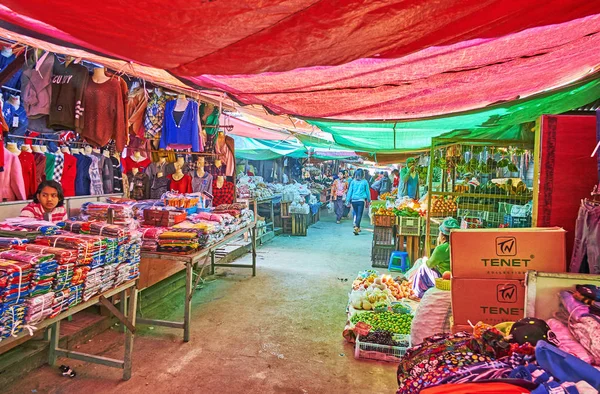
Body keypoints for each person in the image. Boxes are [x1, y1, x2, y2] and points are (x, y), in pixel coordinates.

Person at [410, 217, 459, 297]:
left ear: (442, 235)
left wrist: (425, 260)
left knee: (422, 267)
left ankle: (418, 292)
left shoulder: (442, 249)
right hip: (457, 277)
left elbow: (429, 264)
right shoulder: (461, 245)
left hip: (444, 278)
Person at [345, 168, 371, 235]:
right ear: (363, 175)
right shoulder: (365, 182)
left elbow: (350, 191)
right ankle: (356, 227)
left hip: (354, 201)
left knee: (356, 213)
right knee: (359, 214)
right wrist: (369, 200)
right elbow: (368, 192)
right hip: (361, 201)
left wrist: (347, 200)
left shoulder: (353, 182)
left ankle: (358, 227)